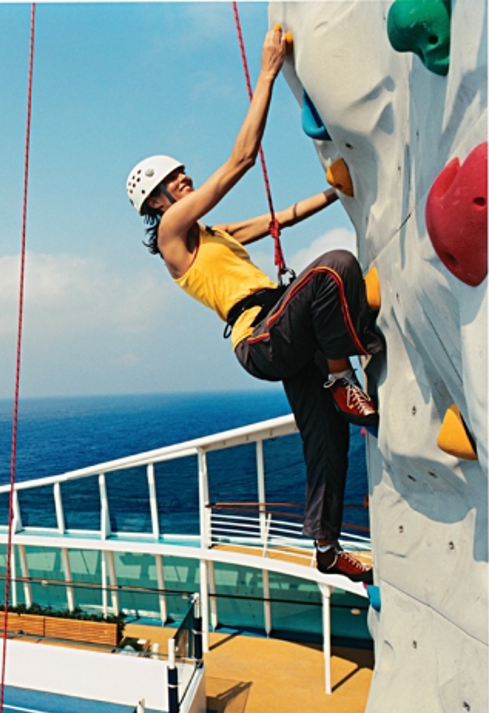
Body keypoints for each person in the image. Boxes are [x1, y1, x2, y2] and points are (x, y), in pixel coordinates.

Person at [125, 24, 379, 583]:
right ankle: (341, 376)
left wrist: (337, 189)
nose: (186, 179)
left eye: (183, 174)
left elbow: (278, 218)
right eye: (175, 179)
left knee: (328, 440)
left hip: (285, 325)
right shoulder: (173, 233)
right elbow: (241, 161)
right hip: (261, 335)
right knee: (335, 268)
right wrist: (266, 72)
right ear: (158, 201)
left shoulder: (212, 234)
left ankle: (327, 547)